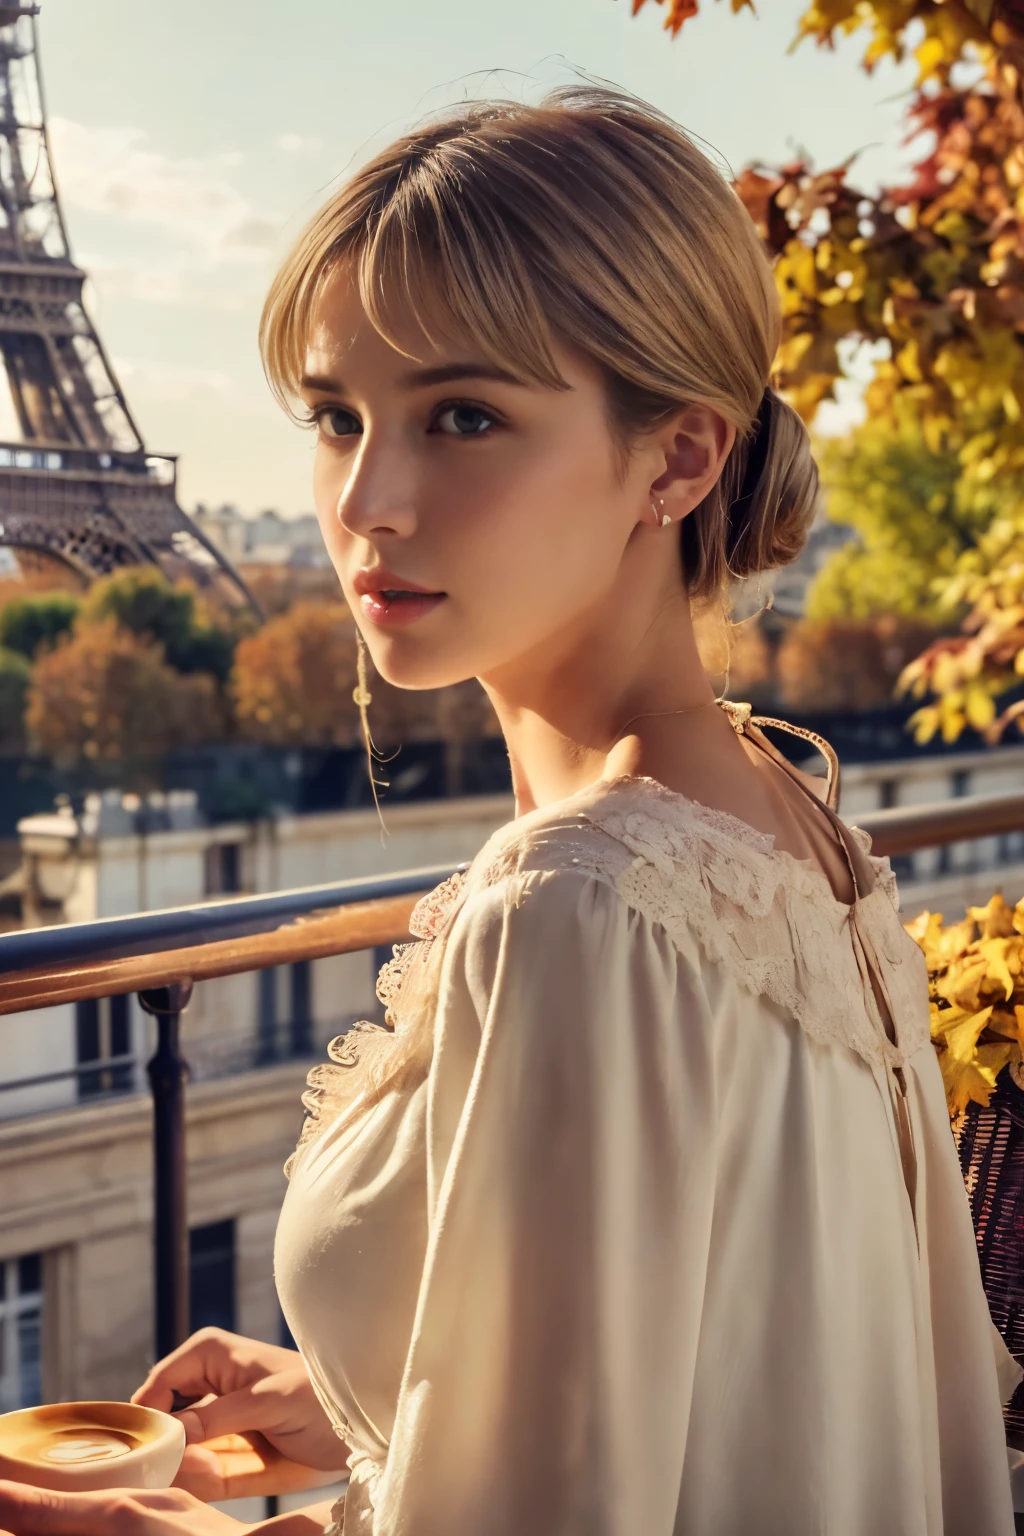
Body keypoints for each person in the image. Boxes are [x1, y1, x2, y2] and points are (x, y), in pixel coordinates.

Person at [1, 84, 1020, 1536]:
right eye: (338, 416)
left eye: (463, 416)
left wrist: (133, 1528)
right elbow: (753, 1361)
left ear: (678, 456)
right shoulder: (795, 829)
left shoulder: (580, 906)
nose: (368, 499)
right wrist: (373, 1387)